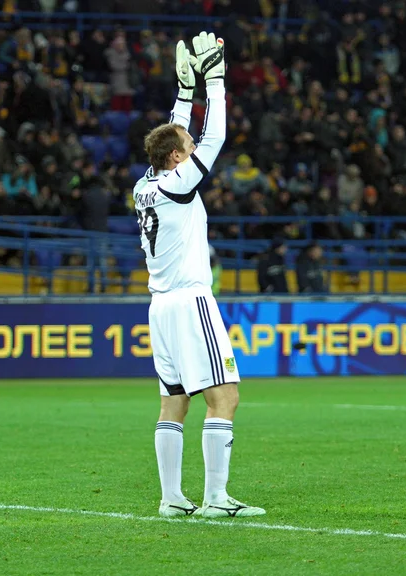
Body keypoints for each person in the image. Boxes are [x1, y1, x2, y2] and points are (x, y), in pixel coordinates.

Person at [132, 32, 265, 519]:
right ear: (176, 159)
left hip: (159, 306)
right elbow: (215, 137)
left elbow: (175, 133)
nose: (192, 148)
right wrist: (216, 79)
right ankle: (214, 499)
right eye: (185, 148)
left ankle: (171, 499)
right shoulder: (180, 180)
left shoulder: (146, 183)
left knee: (174, 405)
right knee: (225, 397)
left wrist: (185, 92)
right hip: (190, 301)